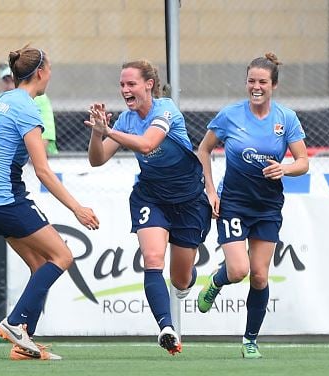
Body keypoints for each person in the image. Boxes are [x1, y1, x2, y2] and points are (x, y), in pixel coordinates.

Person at [0, 45, 99, 361]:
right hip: (5, 199)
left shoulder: (3, 101)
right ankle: (14, 324)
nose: (50, 75)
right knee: (62, 256)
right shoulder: (27, 108)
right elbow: (42, 171)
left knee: (40, 263)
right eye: (50, 69)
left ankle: (25, 344)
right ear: (40, 72)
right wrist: (77, 208)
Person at [84, 60, 212, 355]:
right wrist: (97, 132)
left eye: (131, 84)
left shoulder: (165, 110)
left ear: (149, 85)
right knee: (153, 257)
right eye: (121, 85)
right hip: (151, 196)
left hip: (189, 200)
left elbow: (147, 144)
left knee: (180, 280)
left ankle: (188, 279)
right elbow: (97, 159)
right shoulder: (126, 120)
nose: (125, 90)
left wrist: (109, 130)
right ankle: (166, 327)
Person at [196, 52, 309, 359]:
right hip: (233, 204)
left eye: (262, 82)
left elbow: (303, 162)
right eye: (251, 81)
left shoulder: (286, 119)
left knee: (259, 276)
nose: (256, 87)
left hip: (268, 207)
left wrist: (284, 168)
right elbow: (203, 151)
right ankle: (217, 281)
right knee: (238, 270)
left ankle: (250, 339)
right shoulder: (230, 115)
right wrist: (210, 191)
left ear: (274, 85)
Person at [0, 62, 58, 155]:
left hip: (34, 158)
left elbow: (44, 141)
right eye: (6, 80)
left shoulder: (39, 99)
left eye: (13, 80)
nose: (10, 86)